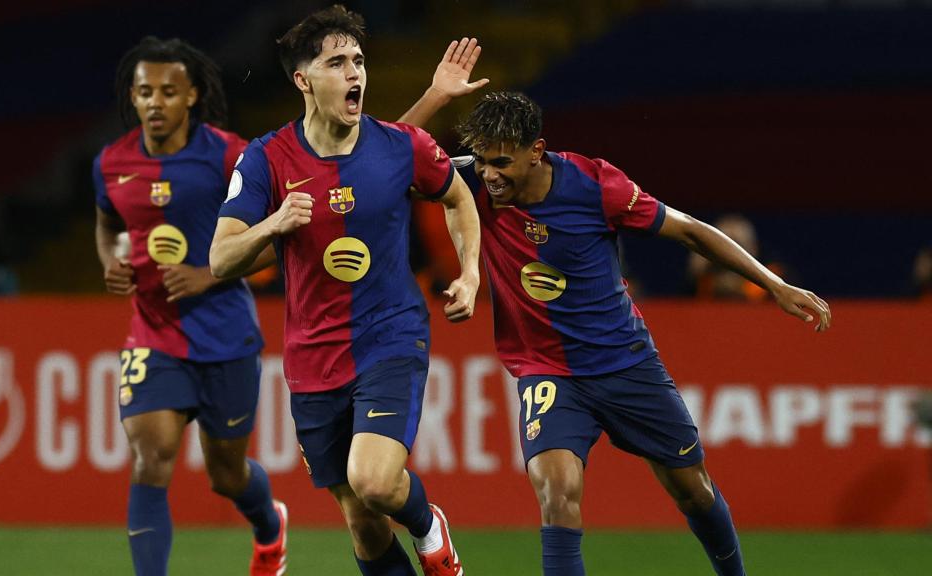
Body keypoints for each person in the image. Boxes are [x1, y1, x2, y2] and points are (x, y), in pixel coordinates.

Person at [403, 91, 831, 576]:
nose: (489, 174)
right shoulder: (471, 181)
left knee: (693, 490)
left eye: (501, 163)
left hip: (625, 363)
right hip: (549, 372)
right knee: (556, 494)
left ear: (536, 151)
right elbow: (377, 162)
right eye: (481, 161)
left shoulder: (595, 185)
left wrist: (774, 285)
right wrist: (436, 96)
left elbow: (690, 230)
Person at [210, 7, 483, 576]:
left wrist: (470, 272)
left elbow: (457, 196)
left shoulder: (401, 145)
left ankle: (429, 526)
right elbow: (221, 259)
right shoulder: (265, 159)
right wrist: (272, 224)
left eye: (358, 60)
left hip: (390, 338)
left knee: (374, 480)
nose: (354, 72)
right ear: (303, 80)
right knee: (362, 520)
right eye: (337, 62)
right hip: (312, 358)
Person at [92, 36, 286, 576]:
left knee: (226, 475)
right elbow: (107, 225)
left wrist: (209, 273)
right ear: (132, 97)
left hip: (225, 334)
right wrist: (111, 260)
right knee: (149, 459)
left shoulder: (230, 155)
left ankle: (269, 524)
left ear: (193, 95)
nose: (155, 102)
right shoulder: (112, 162)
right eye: (144, 92)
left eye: (168, 92)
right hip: (153, 334)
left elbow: (278, 234)